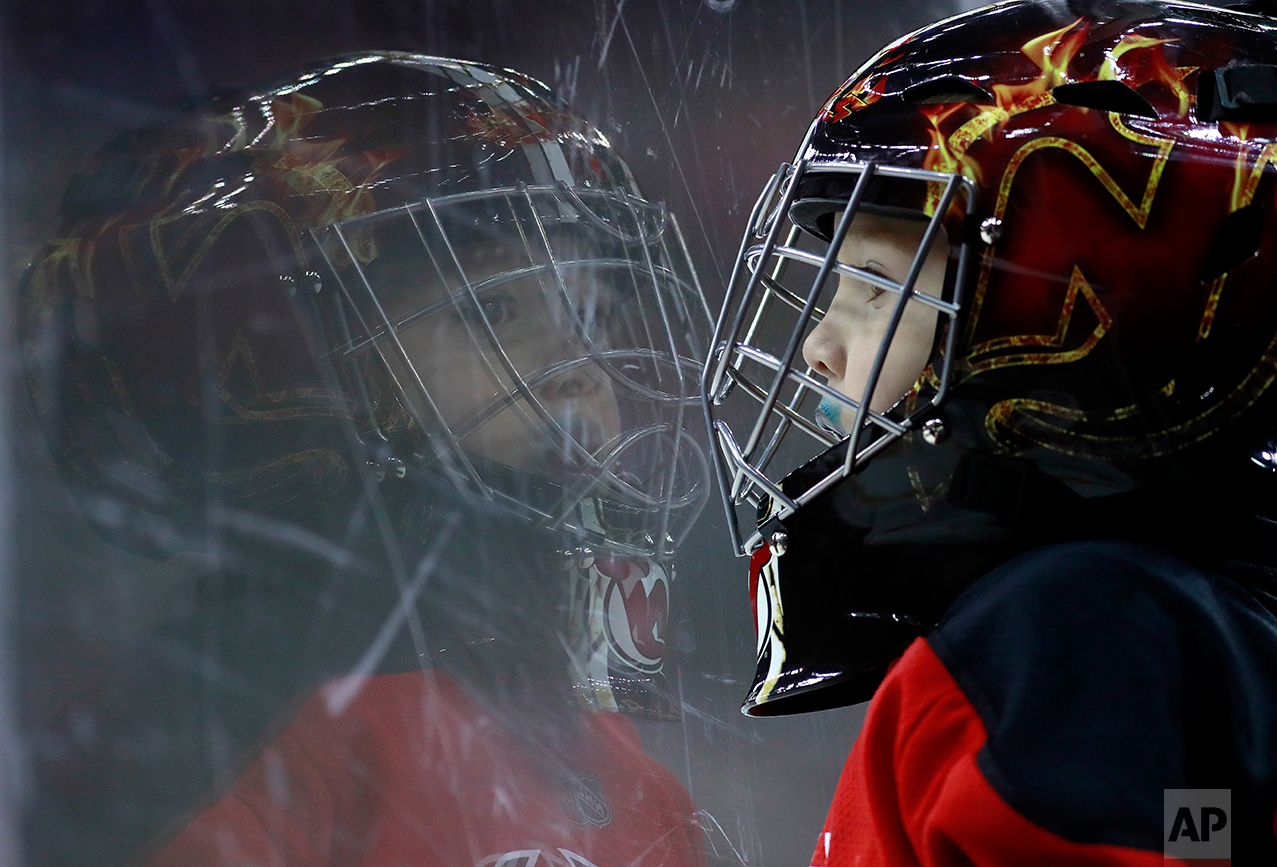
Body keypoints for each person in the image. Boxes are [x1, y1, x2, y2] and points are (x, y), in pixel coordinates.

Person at [20, 52, 711, 866]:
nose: (578, 368)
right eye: (492, 309)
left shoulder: (611, 758)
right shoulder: (218, 748)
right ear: (297, 371)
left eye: (590, 311)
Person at [702, 0, 1277, 862]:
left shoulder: (1084, 624)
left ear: (1088, 313)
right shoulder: (1169, 619)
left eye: (872, 286)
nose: (818, 346)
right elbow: (1201, 836)